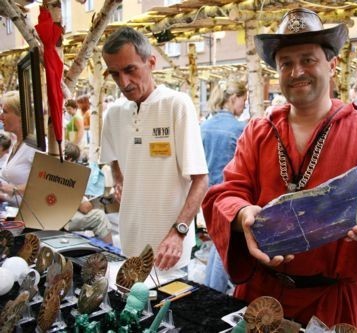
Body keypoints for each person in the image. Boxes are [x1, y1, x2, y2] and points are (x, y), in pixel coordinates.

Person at [202, 9, 357, 331]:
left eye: (308, 60)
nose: (296, 71)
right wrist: (242, 214)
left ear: (332, 65)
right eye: (286, 63)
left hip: (333, 304)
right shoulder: (258, 130)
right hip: (261, 297)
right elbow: (226, 193)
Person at [100, 27, 208, 270]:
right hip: (130, 243)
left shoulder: (176, 105)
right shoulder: (114, 113)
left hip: (169, 250)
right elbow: (111, 156)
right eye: (115, 74)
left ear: (151, 63)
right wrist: (119, 178)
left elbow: (201, 179)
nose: (124, 82)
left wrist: (178, 232)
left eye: (130, 70)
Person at [201, 80, 247, 293]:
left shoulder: (205, 126)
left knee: (215, 245)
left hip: (207, 195)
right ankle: (214, 296)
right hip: (229, 197)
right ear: (233, 98)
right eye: (243, 101)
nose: (244, 106)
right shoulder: (239, 129)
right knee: (224, 248)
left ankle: (208, 292)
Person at [64, 142, 113, 243]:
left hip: (54, 214)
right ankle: (111, 253)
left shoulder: (53, 171)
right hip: (63, 219)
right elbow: (85, 208)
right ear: (70, 160)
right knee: (99, 217)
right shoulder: (67, 176)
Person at [0, 91, 36, 204]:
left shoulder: (36, 146)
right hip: (11, 210)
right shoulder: (16, 142)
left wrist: (13, 189)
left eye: (5, 112)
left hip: (28, 216)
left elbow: (47, 182)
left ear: (21, 116)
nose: (1, 117)